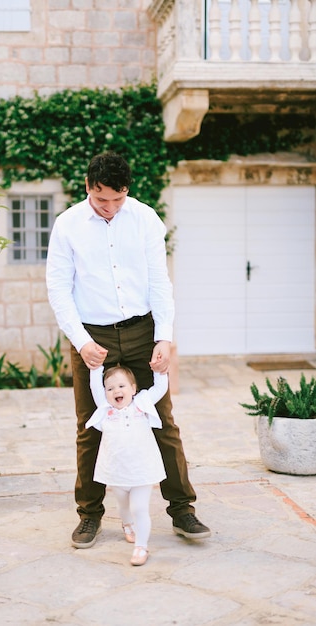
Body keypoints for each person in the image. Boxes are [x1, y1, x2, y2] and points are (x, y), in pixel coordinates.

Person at [46, 151, 211, 550]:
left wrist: (165, 336)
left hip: (142, 332)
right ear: (88, 187)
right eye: (103, 200)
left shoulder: (145, 218)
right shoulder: (67, 225)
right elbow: (58, 289)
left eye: (118, 199)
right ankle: (89, 516)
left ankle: (182, 509)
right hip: (92, 337)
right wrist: (81, 341)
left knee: (161, 421)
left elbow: (160, 283)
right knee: (91, 427)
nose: (111, 208)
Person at [86, 364, 168, 566]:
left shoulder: (141, 404)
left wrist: (160, 370)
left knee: (139, 508)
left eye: (121, 385)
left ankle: (141, 546)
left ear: (133, 388)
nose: (116, 391)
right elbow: (95, 386)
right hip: (117, 470)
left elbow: (160, 388)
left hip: (142, 470)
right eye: (110, 388)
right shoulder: (105, 409)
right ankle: (127, 523)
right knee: (123, 506)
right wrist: (96, 368)